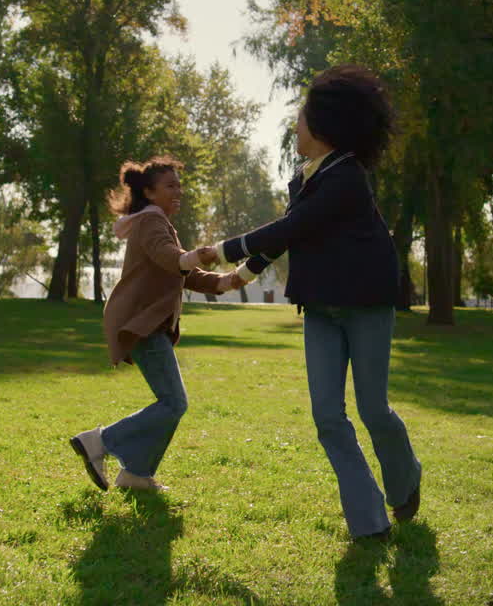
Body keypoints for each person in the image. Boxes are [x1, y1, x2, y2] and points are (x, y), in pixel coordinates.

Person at [199, 64, 421, 540]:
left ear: (324, 126)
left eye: (300, 117)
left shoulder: (347, 178)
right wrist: (237, 277)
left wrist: (220, 250)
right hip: (320, 307)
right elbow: (288, 237)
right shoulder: (306, 179)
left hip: (365, 304)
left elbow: (290, 229)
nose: (294, 125)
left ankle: (405, 484)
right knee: (327, 415)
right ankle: (369, 521)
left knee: (374, 410)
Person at [70, 157, 237, 492]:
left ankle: (136, 473)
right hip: (142, 323)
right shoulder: (150, 222)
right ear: (149, 191)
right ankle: (100, 442)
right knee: (174, 403)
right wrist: (200, 256)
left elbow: (180, 271)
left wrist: (226, 281)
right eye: (170, 185)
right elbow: (170, 258)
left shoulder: (156, 221)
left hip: (148, 324)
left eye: (179, 185)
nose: (179, 191)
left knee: (170, 403)